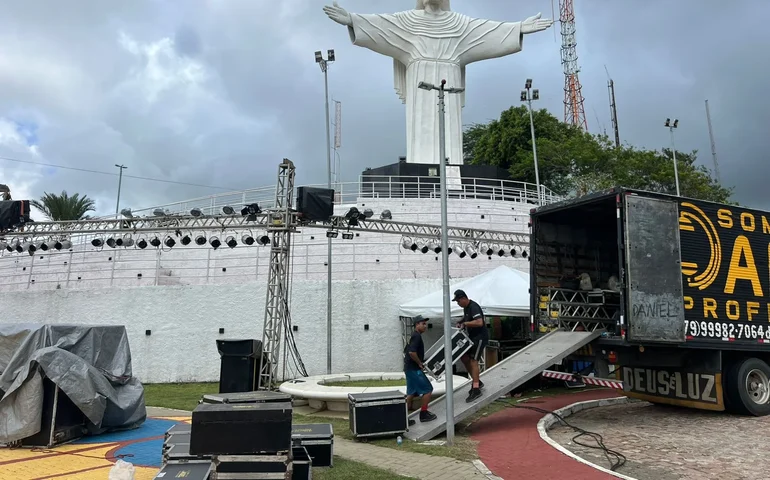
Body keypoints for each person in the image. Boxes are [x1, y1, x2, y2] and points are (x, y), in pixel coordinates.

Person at [453, 289, 488, 402]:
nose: (458, 304)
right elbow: (468, 317)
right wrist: (461, 321)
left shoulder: (474, 306)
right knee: (464, 357)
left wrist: (465, 324)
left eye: (458, 301)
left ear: (463, 298)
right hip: (472, 338)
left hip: (480, 338)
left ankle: (476, 388)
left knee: (473, 361)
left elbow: (479, 322)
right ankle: (476, 380)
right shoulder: (466, 308)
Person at [404, 316, 437, 423]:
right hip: (414, 369)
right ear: (417, 324)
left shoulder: (414, 336)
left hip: (409, 368)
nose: (425, 326)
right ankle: (423, 414)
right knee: (428, 389)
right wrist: (419, 363)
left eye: (425, 324)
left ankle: (402, 418)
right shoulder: (416, 336)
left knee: (411, 393)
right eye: (423, 324)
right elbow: (411, 352)